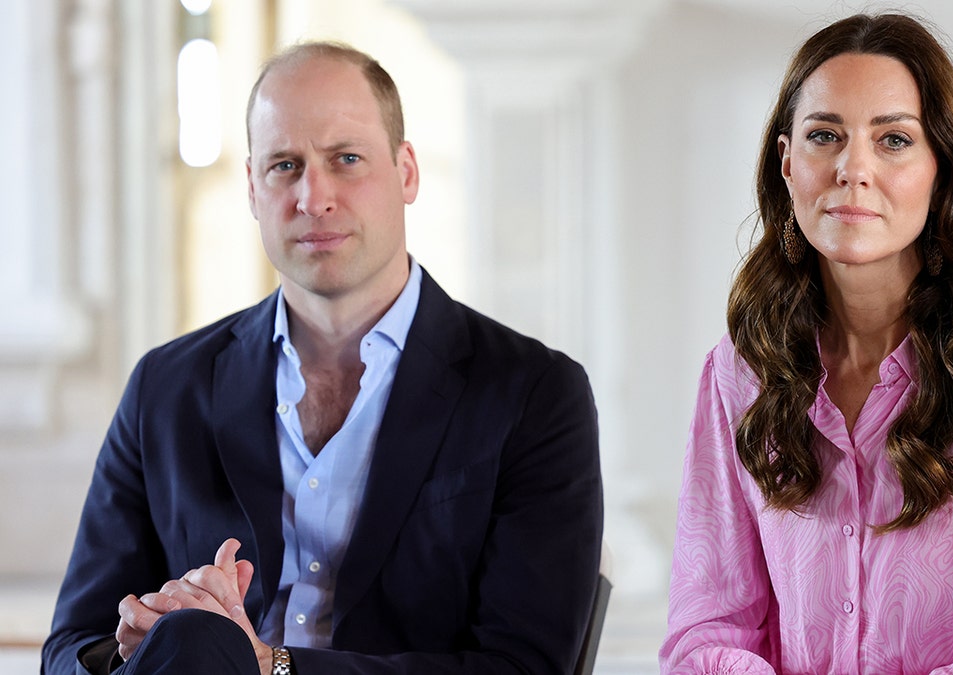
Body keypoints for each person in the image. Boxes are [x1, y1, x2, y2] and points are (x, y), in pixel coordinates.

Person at [42, 41, 603, 675]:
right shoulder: (165, 387)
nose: (314, 196)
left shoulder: (533, 392)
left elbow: (524, 667)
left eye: (347, 158)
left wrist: (269, 665)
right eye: (285, 165)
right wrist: (137, 639)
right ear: (252, 188)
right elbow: (68, 651)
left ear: (407, 171)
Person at [660, 13, 953, 675]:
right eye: (825, 136)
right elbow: (705, 636)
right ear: (787, 162)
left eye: (894, 139)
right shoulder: (739, 373)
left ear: (942, 169)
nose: (853, 168)